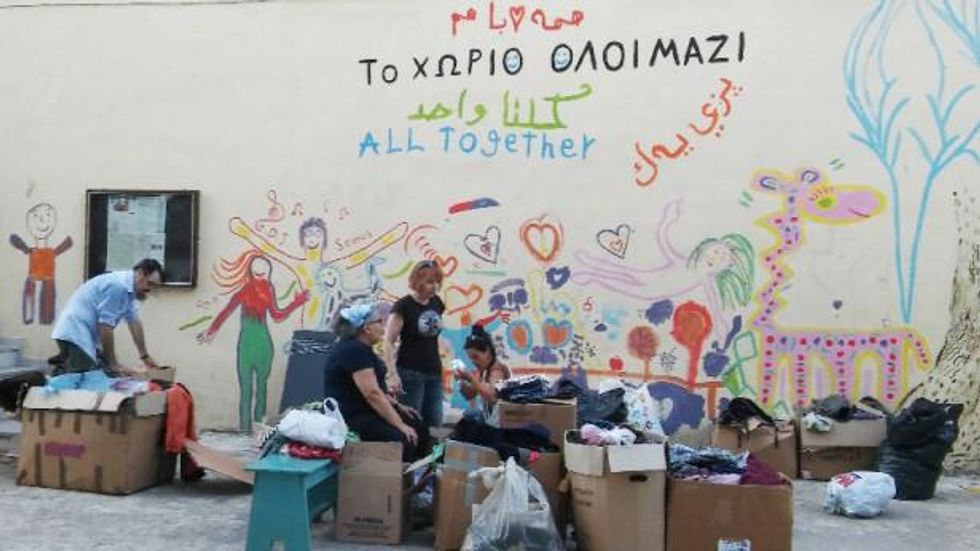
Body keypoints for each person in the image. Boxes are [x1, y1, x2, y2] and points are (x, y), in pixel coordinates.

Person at [198, 250, 308, 431]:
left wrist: (297, 302)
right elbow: (229, 311)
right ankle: (249, 430)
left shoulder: (265, 289)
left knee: (255, 391)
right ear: (251, 272)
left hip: (258, 346)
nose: (260, 277)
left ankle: (254, 430)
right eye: (258, 273)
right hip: (252, 346)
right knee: (251, 391)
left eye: (263, 273)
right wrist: (212, 330)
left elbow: (276, 315)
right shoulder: (248, 290)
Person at [325, 303, 430, 462]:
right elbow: (372, 394)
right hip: (352, 415)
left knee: (419, 426)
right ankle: (400, 482)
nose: (384, 326)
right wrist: (400, 424)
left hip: (367, 409)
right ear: (367, 328)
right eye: (380, 322)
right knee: (404, 439)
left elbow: (377, 389)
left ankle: (419, 475)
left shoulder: (363, 349)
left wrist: (398, 406)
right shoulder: (353, 350)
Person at [51, 258, 163, 375]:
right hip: (75, 333)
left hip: (83, 336)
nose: (150, 290)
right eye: (150, 283)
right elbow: (105, 326)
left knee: (102, 373)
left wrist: (145, 356)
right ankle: (50, 384)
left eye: (155, 286)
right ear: (140, 273)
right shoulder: (118, 286)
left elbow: (134, 322)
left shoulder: (129, 290)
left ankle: (59, 374)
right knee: (84, 379)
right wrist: (113, 363)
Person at [384, 260, 446, 429]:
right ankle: (411, 456)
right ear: (417, 282)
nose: (434, 287)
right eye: (429, 282)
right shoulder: (404, 306)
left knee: (435, 422)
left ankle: (433, 455)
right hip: (410, 373)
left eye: (436, 282)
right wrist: (392, 373)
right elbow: (388, 341)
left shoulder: (437, 303)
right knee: (412, 421)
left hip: (434, 371)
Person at [455, 324, 511, 420]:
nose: (473, 362)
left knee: (472, 416)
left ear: (487, 352)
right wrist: (460, 381)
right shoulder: (482, 371)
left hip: (500, 420)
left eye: (476, 357)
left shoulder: (496, 371)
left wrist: (471, 379)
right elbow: (470, 394)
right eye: (471, 358)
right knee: (469, 414)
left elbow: (493, 397)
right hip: (490, 417)